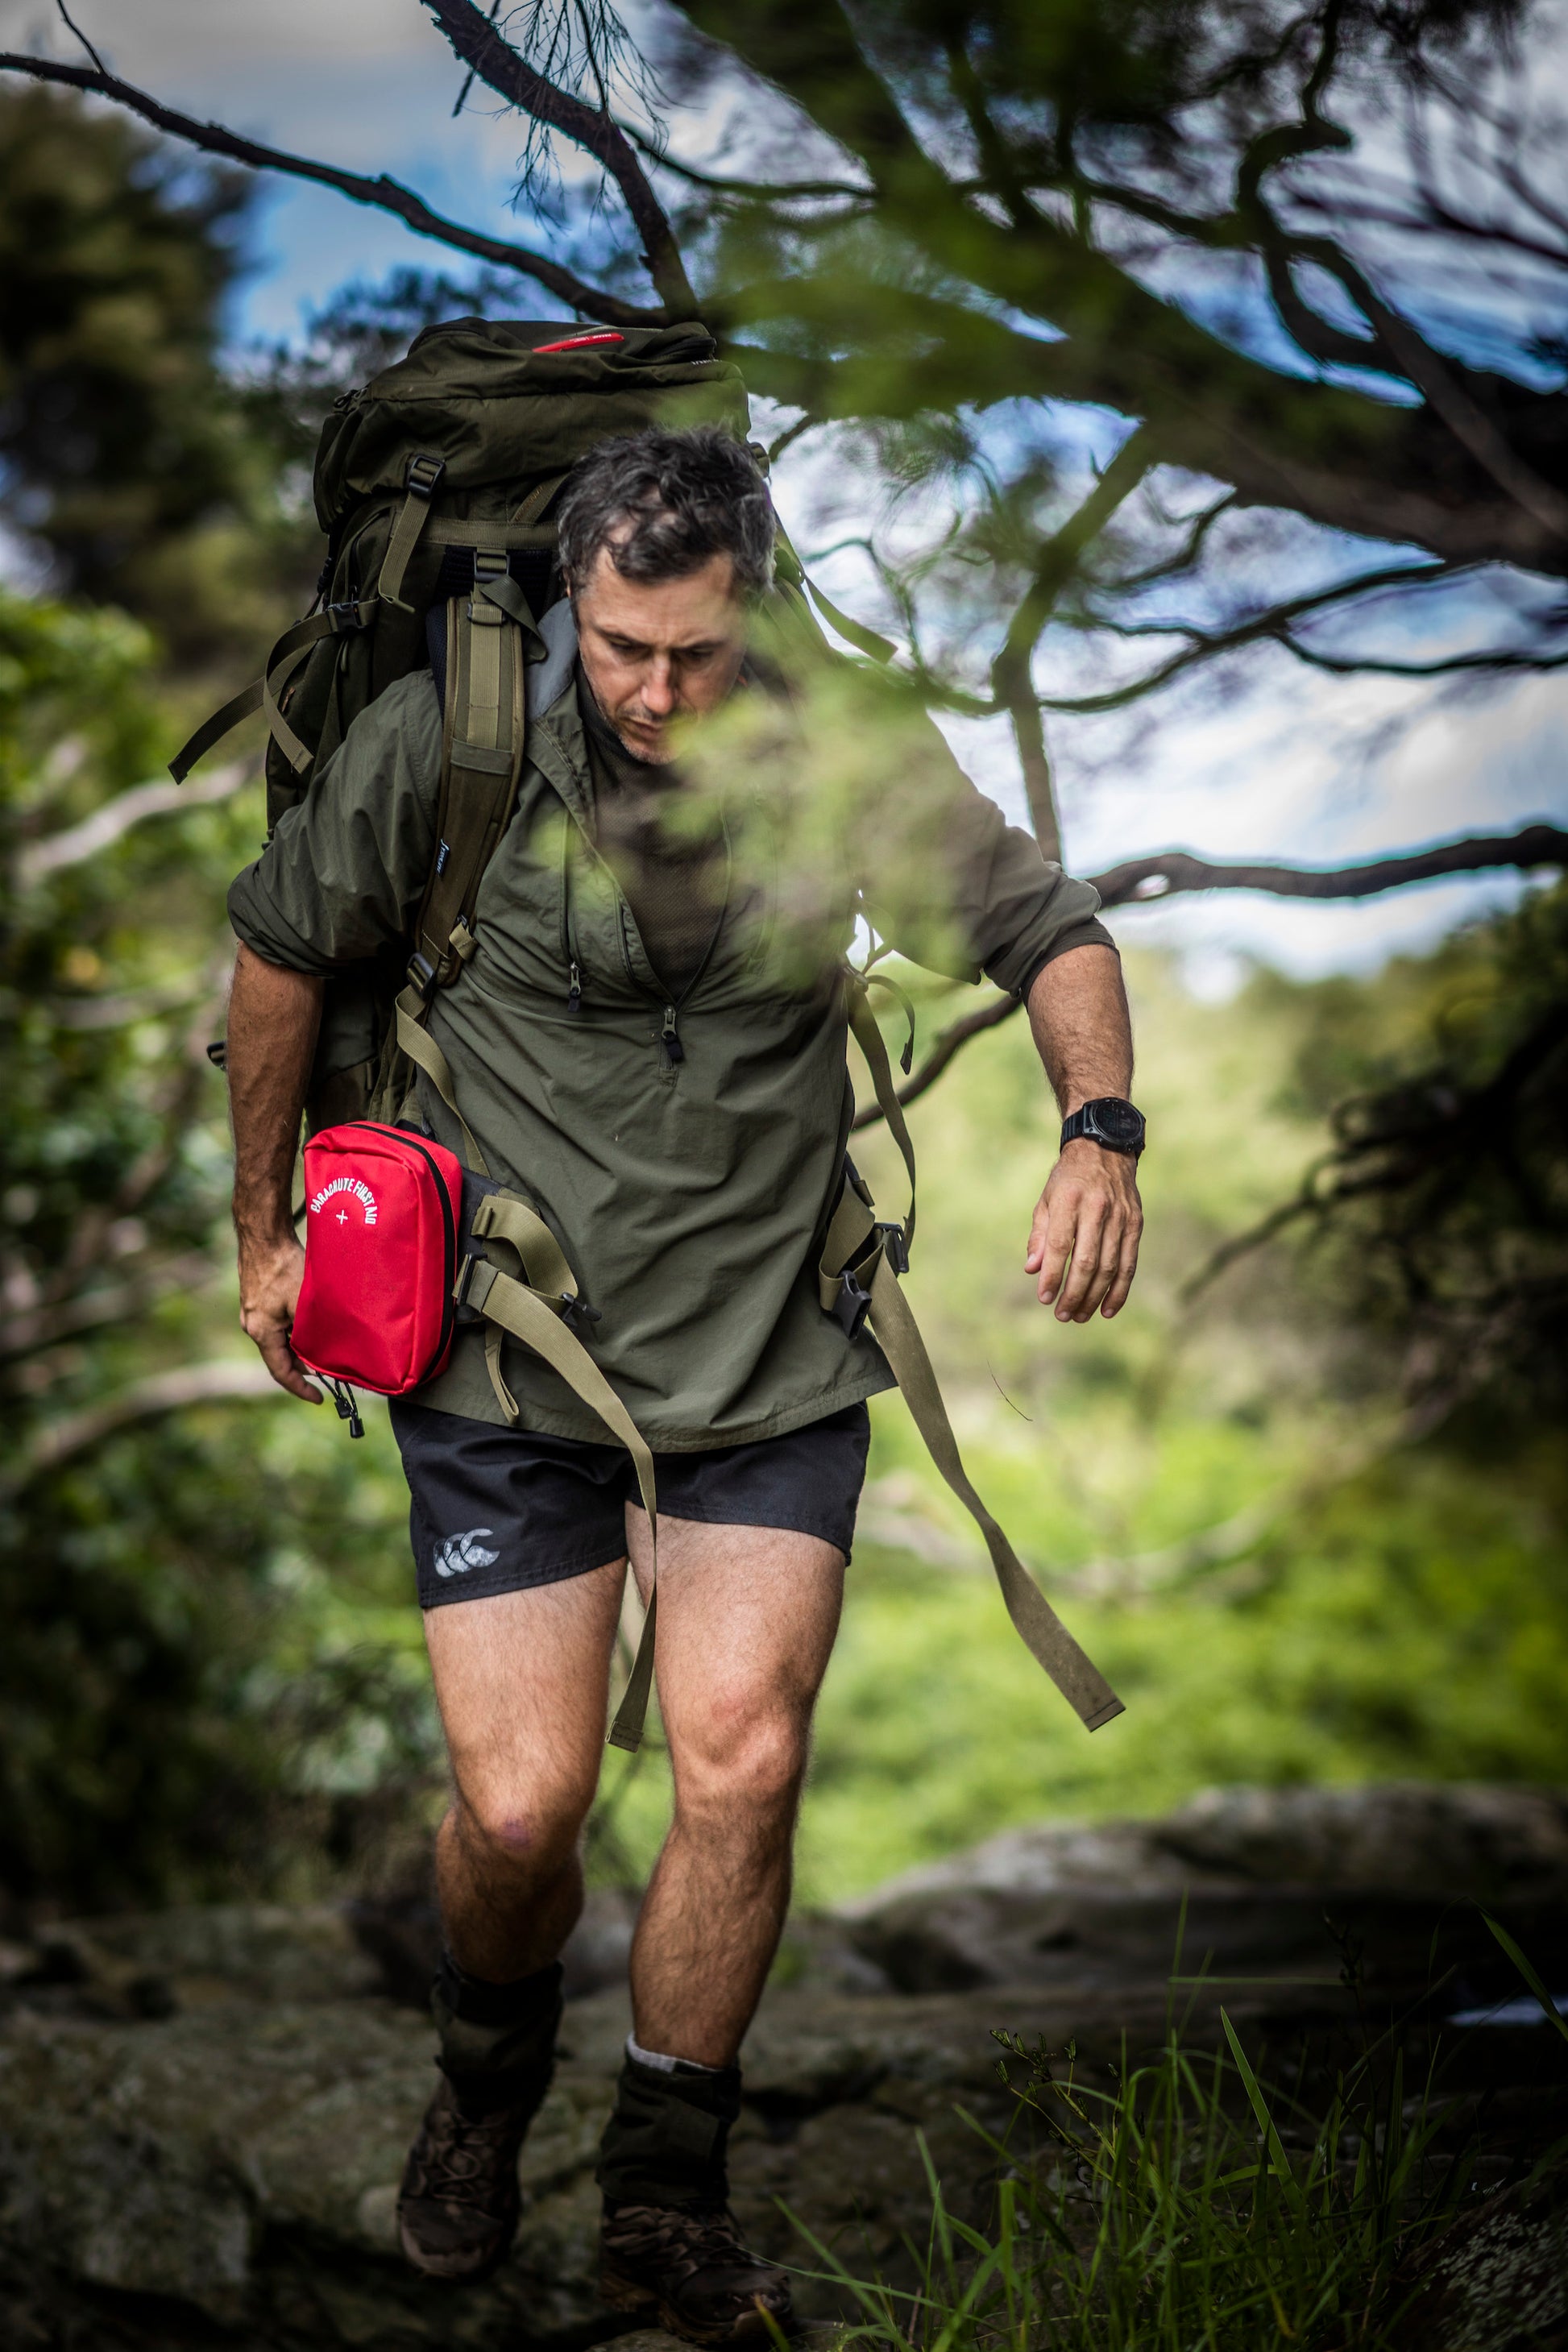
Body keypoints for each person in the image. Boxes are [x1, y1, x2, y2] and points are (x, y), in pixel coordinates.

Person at [224, 425, 1143, 2343]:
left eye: (696, 653)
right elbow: (281, 951)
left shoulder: (845, 756)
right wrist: (261, 1233)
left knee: (745, 1754)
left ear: (759, 617)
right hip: (506, 1341)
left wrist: (1099, 1130)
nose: (654, 692)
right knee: (520, 1813)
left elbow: (1046, 926)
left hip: (767, 1341)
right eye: (622, 647)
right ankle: (487, 2075)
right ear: (574, 605)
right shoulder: (455, 740)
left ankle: (664, 2186)